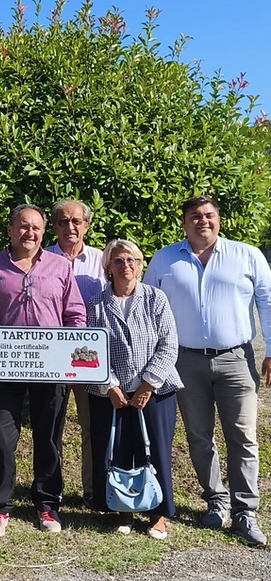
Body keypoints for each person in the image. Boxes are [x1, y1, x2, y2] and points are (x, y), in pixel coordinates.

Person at [144, 196, 271, 546]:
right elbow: (150, 307)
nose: (203, 221)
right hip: (185, 360)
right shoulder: (165, 259)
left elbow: (268, 302)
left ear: (219, 220)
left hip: (236, 359)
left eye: (209, 215)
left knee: (243, 436)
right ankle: (216, 499)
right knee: (199, 436)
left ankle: (245, 511)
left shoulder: (247, 255)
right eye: (195, 216)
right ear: (184, 223)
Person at [0, 203, 86, 537]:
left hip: (52, 368)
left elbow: (75, 315)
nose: (30, 233)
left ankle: (47, 506)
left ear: (43, 233)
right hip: (4, 365)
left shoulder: (60, 266)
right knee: (1, 437)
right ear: (11, 230)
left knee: (49, 437)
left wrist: (72, 355)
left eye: (36, 228)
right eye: (24, 226)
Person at [85, 239, 182, 539]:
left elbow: (169, 344)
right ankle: (123, 510)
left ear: (140, 266)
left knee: (155, 452)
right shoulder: (95, 304)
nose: (125, 265)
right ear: (108, 267)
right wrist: (110, 386)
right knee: (117, 452)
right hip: (111, 394)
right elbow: (91, 350)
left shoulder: (156, 298)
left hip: (156, 391)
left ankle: (157, 514)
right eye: (118, 261)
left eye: (132, 260)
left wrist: (148, 384)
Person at [46, 198, 107, 509]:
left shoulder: (103, 261)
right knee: (51, 426)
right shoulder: (41, 259)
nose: (70, 227)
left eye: (76, 221)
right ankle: (50, 490)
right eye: (63, 221)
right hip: (52, 355)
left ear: (87, 225)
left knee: (92, 426)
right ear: (54, 226)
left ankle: (93, 489)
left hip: (90, 358)